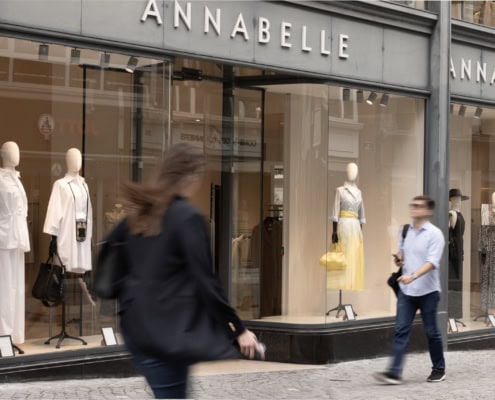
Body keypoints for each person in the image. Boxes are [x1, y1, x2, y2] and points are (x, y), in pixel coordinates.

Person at [113, 143, 264, 399]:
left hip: (138, 333)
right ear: (190, 176)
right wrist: (239, 330)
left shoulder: (140, 215)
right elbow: (207, 282)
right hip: (166, 337)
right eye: (199, 174)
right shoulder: (187, 217)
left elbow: (117, 266)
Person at [373, 195, 446, 385]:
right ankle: (394, 373)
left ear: (428, 211)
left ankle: (439, 368)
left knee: (432, 332)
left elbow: (432, 263)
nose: (414, 208)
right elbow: (403, 255)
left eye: (419, 206)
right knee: (401, 330)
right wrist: (399, 259)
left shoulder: (435, 234)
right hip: (407, 291)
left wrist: (412, 275)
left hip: (428, 292)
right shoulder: (405, 231)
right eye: (413, 205)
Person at [0, 141, 30, 346]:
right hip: (4, 237)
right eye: (12, 151)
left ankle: (15, 335)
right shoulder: (1, 179)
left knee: (17, 288)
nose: (16, 154)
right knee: (4, 287)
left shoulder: (17, 180)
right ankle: (3, 334)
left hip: (18, 237)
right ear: (3, 154)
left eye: (18, 150)